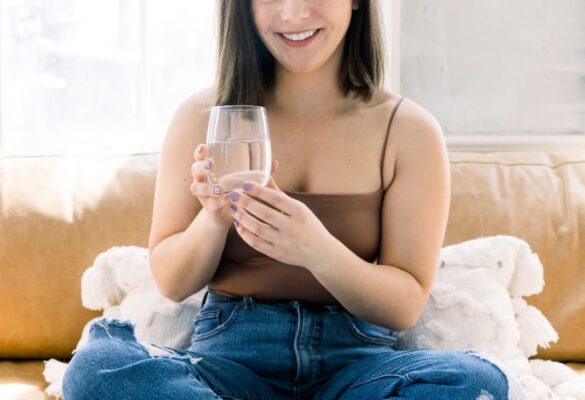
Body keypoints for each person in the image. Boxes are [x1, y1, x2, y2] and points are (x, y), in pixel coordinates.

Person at [63, 1, 526, 399]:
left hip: (358, 371)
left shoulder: (408, 130)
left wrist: (316, 249)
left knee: (473, 381)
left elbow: (404, 305)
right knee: (97, 366)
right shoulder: (201, 119)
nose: (292, 13)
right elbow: (171, 281)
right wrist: (213, 218)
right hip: (227, 369)